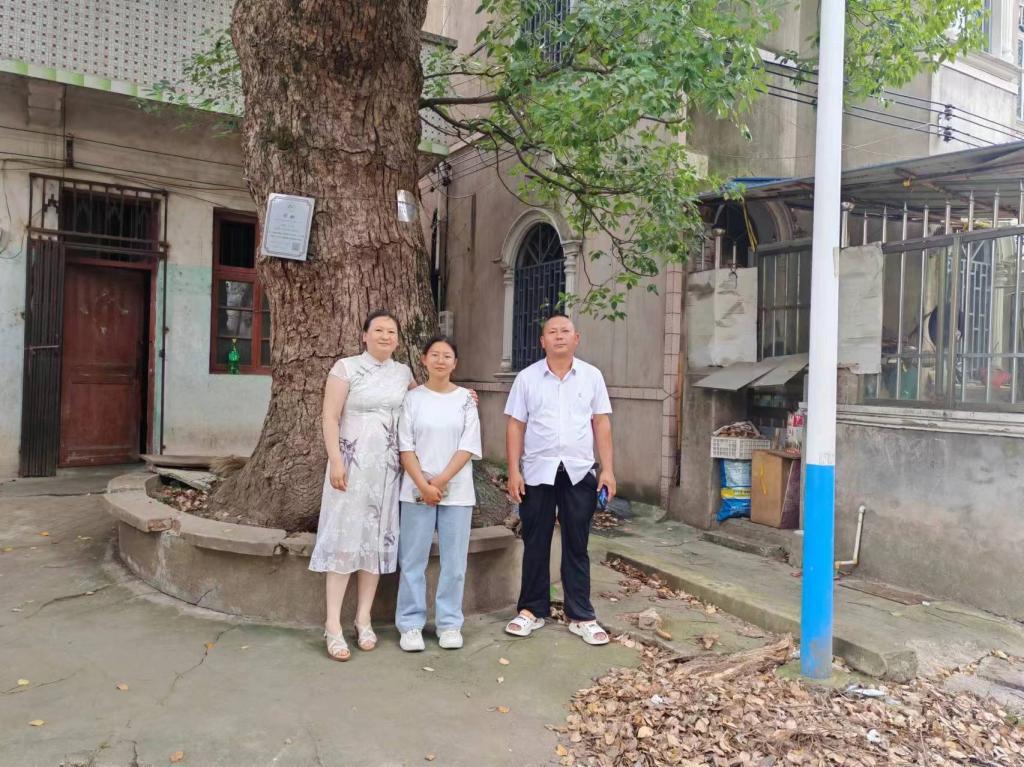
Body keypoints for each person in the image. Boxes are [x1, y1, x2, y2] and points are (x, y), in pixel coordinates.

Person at [503, 314, 616, 646]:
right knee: (535, 542)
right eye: (552, 332)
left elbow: (601, 423)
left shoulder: (592, 376)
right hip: (537, 472)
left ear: (576, 338)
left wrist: (607, 469)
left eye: (565, 331)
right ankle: (531, 610)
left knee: (577, 545)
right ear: (543, 341)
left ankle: (581, 615)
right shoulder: (527, 378)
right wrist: (514, 471)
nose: (559, 336)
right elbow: (516, 426)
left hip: (579, 471)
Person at [310, 310, 413, 661]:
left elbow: (425, 402)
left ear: (398, 339)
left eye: (391, 331)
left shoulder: (403, 373)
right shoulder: (346, 368)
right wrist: (336, 460)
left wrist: (462, 397)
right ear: (364, 335)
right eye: (378, 330)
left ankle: (363, 618)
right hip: (350, 467)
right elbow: (330, 416)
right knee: (344, 540)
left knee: (375, 542)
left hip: (387, 471)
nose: (385, 336)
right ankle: (332, 624)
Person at [395, 336, 482, 652]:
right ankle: (410, 624)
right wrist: (424, 485)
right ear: (424, 360)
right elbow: (405, 446)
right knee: (412, 560)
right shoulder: (412, 399)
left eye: (447, 356)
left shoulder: (465, 400)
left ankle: (449, 624)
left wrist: (440, 482)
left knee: (454, 563)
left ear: (455, 363)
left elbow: (468, 446)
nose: (440, 360)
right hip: (416, 490)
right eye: (435, 354)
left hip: (456, 492)